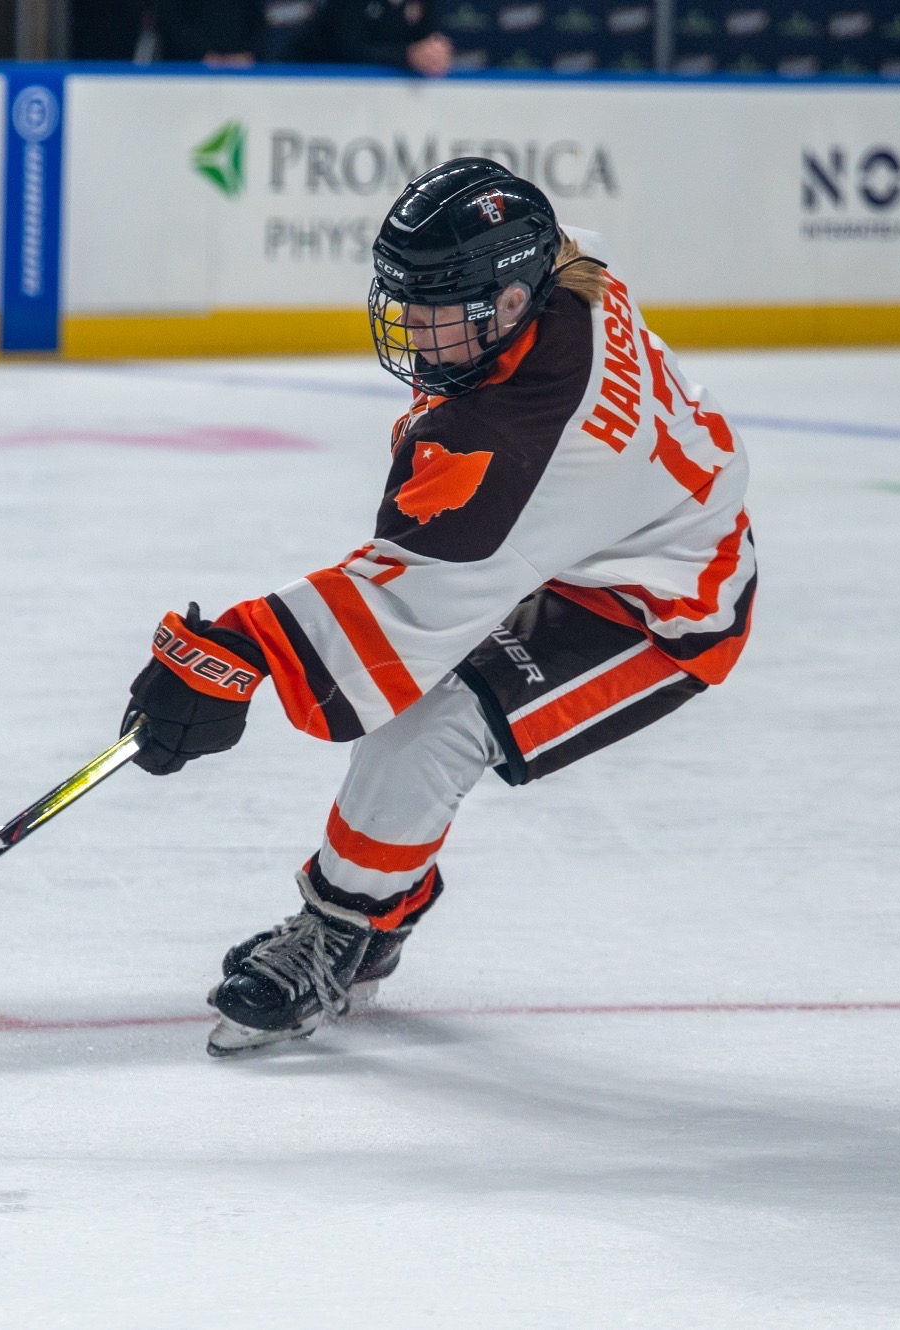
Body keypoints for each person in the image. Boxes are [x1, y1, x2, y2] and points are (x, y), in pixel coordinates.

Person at [120, 158, 756, 1056]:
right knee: (425, 695)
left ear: (508, 300)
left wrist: (229, 654)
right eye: (406, 298)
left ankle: (346, 926)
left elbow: (392, 620)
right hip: (602, 525)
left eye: (438, 305)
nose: (413, 327)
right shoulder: (565, 275)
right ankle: (384, 894)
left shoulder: (513, 444)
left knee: (432, 725)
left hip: (659, 599)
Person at [309, 0, 454, 74]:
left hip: (396, 93)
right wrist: (406, 55)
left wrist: (435, 53)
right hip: (313, 80)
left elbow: (429, 40)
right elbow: (347, 48)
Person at [154, 0, 266, 64]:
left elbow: (258, 22)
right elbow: (169, 22)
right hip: (185, 70)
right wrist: (201, 54)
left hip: (239, 67)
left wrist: (247, 52)